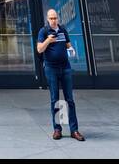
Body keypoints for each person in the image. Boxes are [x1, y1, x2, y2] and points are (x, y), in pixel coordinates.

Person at [35, 7, 84, 141]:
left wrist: (71, 49)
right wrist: (48, 41)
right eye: (51, 18)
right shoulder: (44, 31)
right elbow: (39, 49)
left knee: (70, 100)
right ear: (47, 19)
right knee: (55, 100)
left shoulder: (62, 30)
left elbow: (67, 44)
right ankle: (58, 129)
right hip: (51, 69)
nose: (53, 20)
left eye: (55, 18)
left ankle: (74, 130)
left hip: (65, 68)